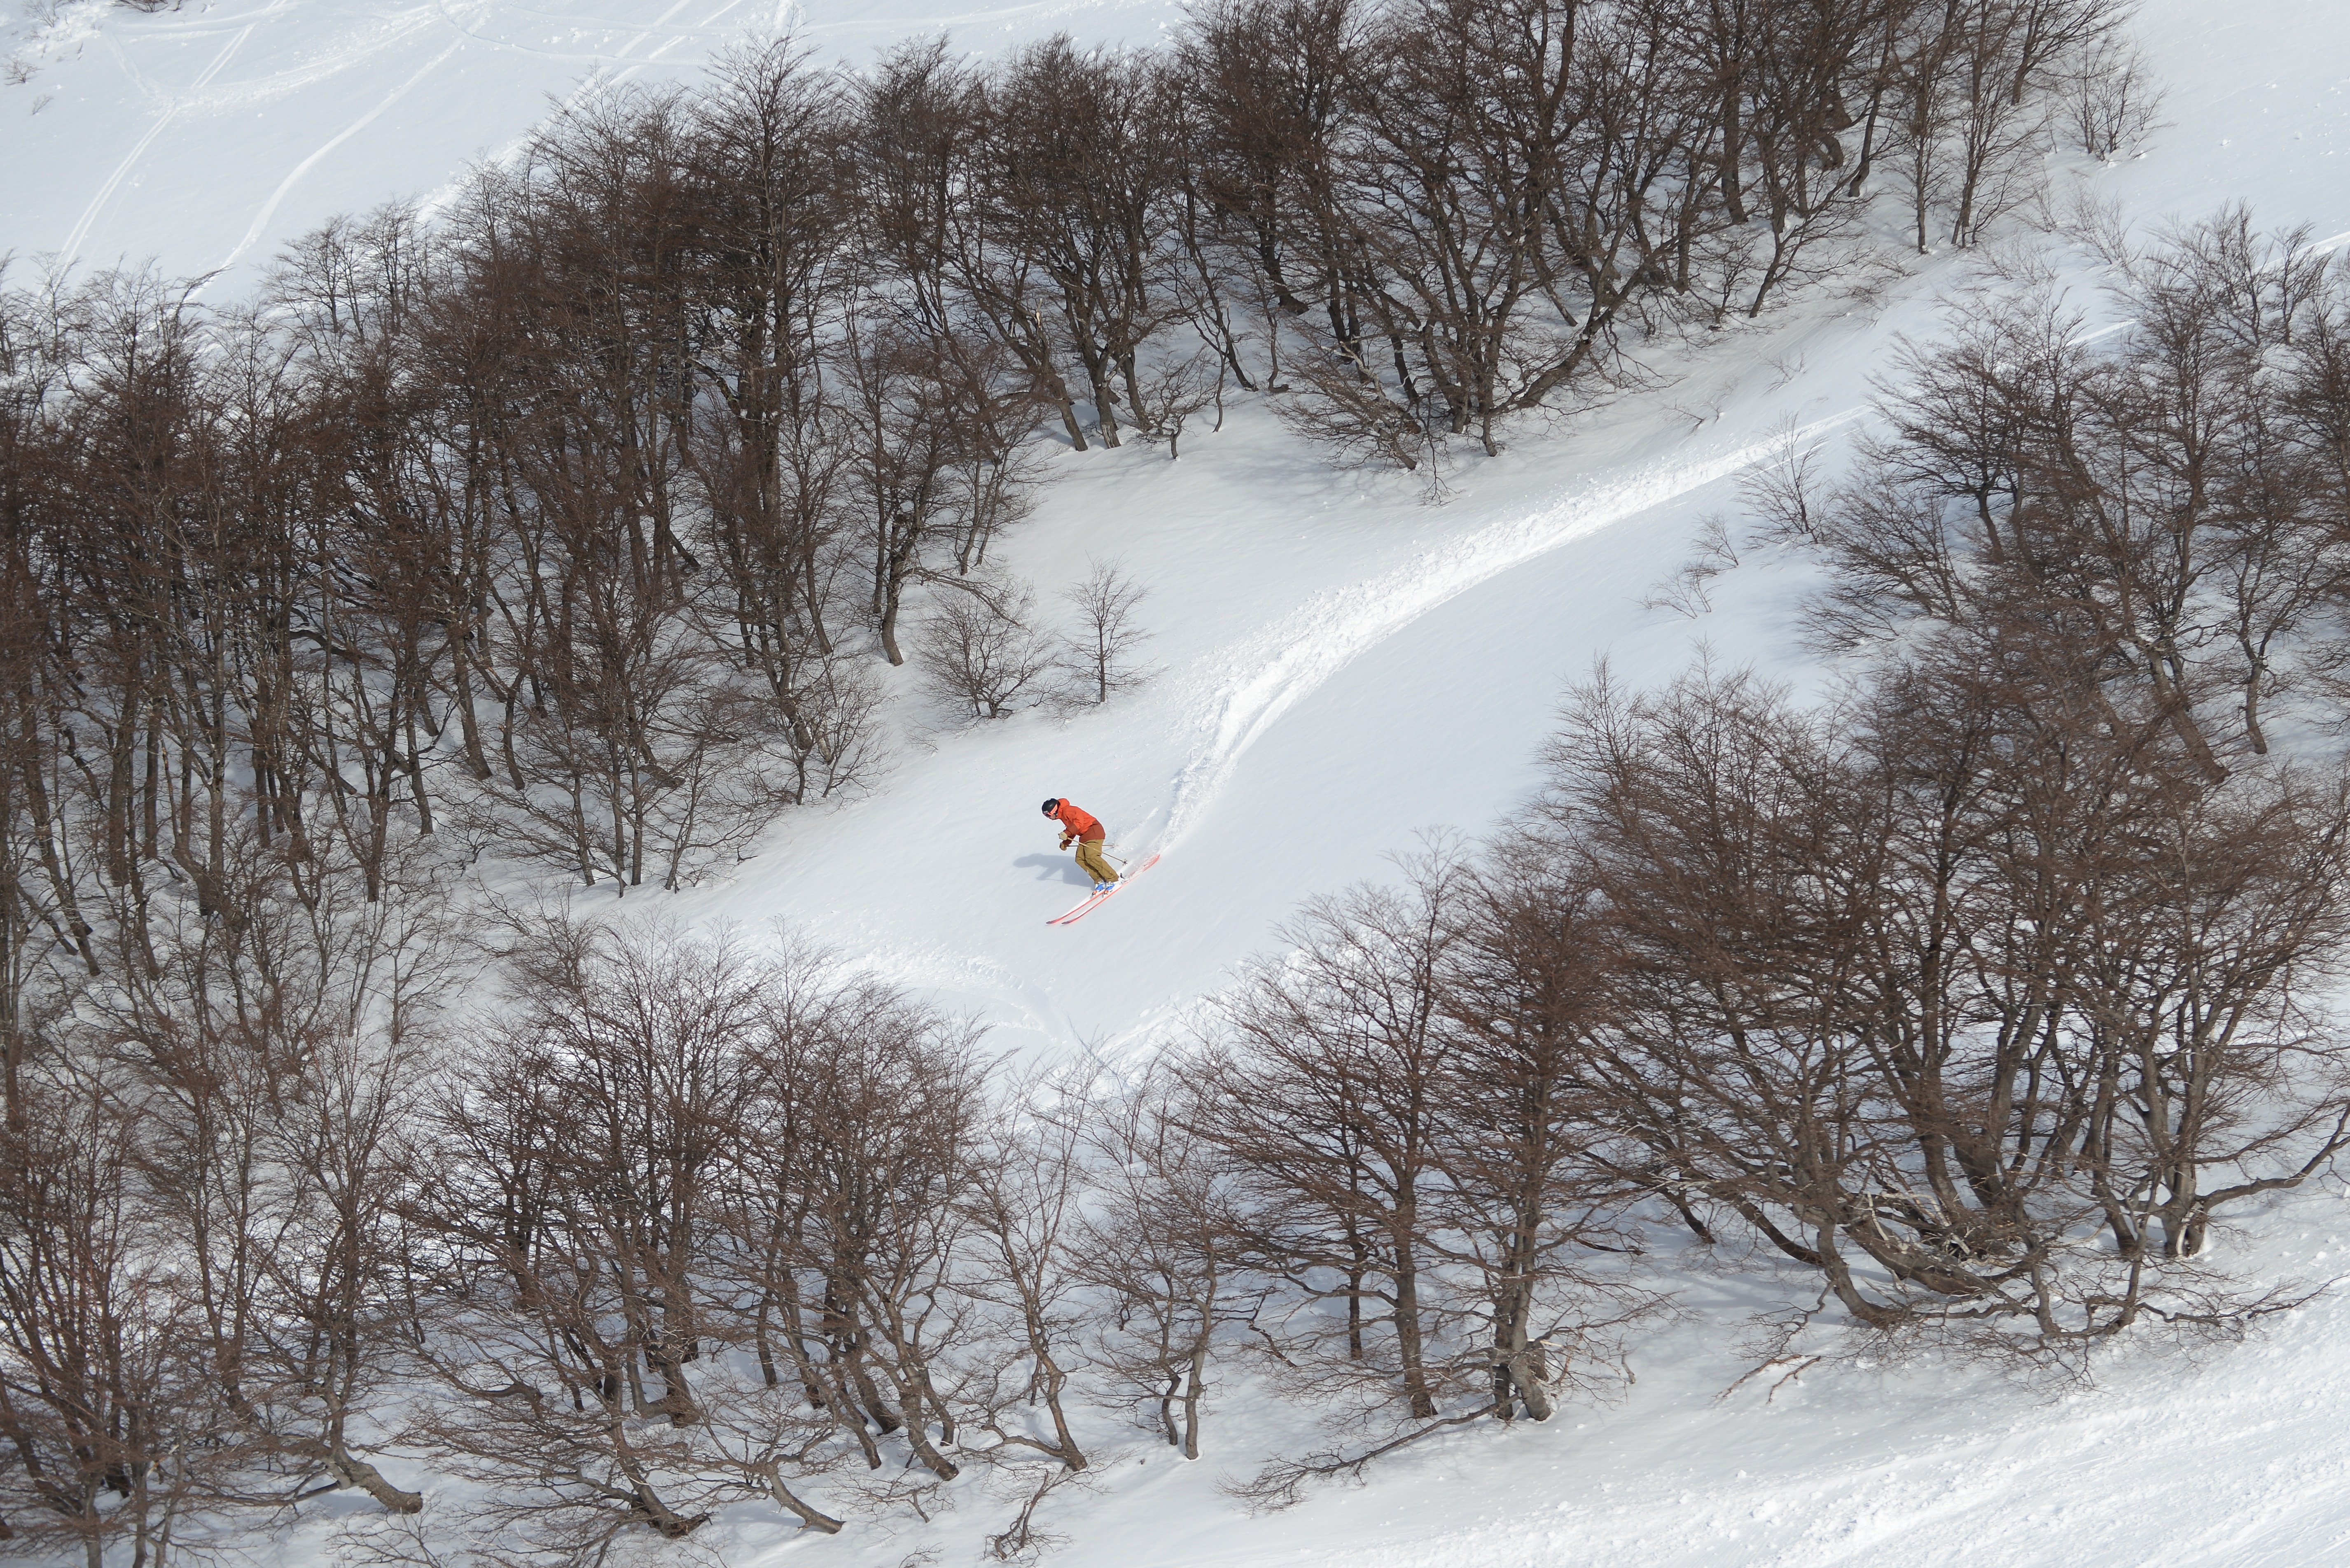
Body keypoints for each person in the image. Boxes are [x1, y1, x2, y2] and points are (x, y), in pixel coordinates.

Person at [1042, 798, 1119, 890]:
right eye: (1046, 816)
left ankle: (1114, 879)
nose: (1048, 818)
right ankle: (1099, 880)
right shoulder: (1063, 816)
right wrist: (1066, 842)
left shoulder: (1068, 810)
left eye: (1048, 815)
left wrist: (1066, 833)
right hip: (1085, 835)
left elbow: (1079, 823)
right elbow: (1074, 829)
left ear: (1054, 811)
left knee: (1092, 856)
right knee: (1080, 859)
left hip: (1094, 830)